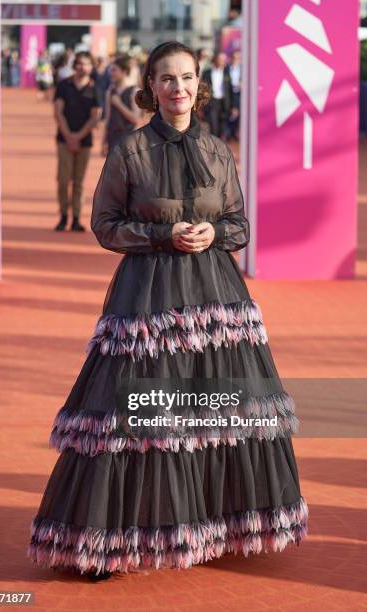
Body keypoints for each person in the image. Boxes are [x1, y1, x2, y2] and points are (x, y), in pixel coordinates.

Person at [27, 41, 309, 579]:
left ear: (198, 85)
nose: (177, 88)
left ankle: (215, 523)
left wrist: (214, 232)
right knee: (134, 414)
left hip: (215, 299)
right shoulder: (130, 151)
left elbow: (238, 223)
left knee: (215, 414)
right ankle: (111, 538)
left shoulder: (218, 150)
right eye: (166, 79)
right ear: (151, 87)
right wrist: (163, 234)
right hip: (149, 297)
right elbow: (106, 225)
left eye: (186, 78)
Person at [53, 51, 102, 232]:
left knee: (79, 182)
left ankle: (76, 218)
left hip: (85, 141)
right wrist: (69, 136)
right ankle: (63, 216)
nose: (83, 67)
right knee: (63, 180)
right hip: (63, 139)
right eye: (80, 63)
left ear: (91, 67)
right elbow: (58, 112)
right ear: (75, 65)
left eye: (87, 64)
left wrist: (78, 136)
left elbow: (95, 117)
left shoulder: (95, 88)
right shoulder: (63, 86)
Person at [102, 55, 141, 156]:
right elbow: (108, 117)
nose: (111, 73)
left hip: (128, 140)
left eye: (114, 70)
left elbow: (135, 119)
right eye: (111, 70)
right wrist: (104, 140)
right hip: (112, 138)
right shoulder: (110, 91)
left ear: (124, 71)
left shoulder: (134, 91)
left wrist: (119, 104)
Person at [201, 51, 234, 139]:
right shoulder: (207, 73)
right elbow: (202, 89)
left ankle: (219, 146)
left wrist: (233, 106)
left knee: (222, 128)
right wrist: (201, 106)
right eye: (220, 60)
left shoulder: (227, 73)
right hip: (212, 103)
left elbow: (230, 90)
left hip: (224, 103)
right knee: (213, 126)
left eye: (224, 60)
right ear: (215, 60)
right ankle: (214, 148)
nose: (223, 62)